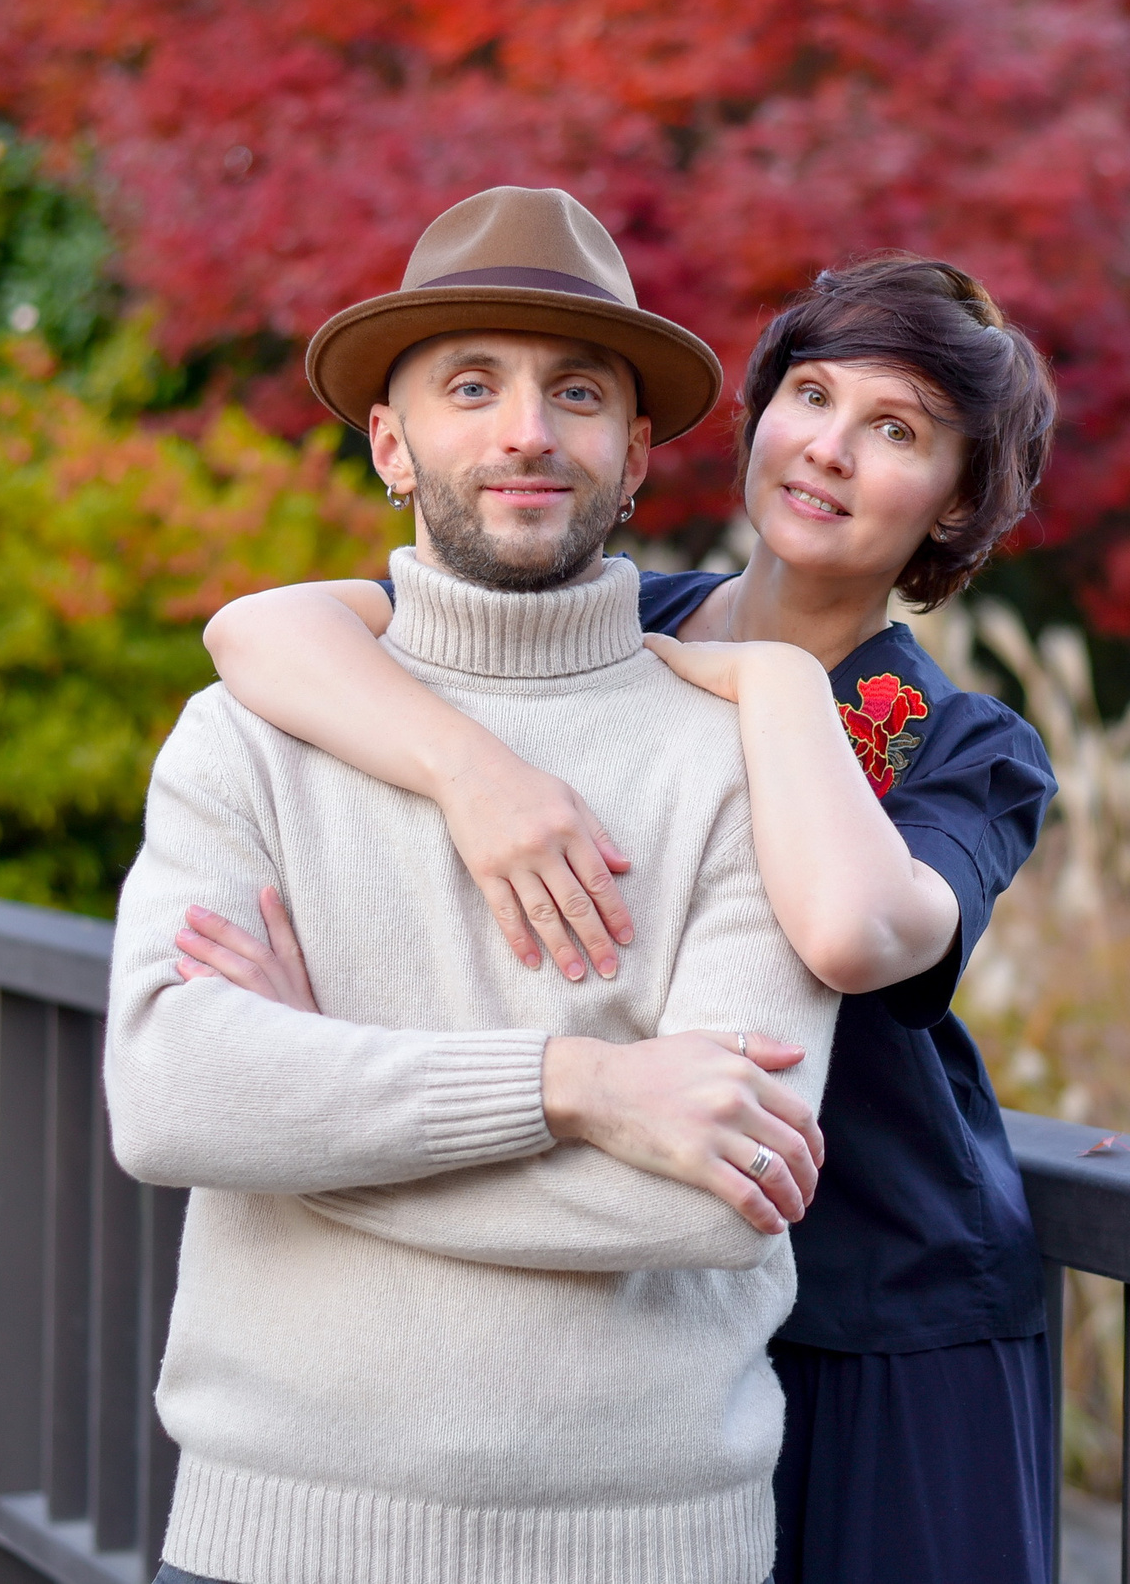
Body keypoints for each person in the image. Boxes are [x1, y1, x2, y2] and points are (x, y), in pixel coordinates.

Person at [189, 251, 1062, 1583]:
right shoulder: (613, 617)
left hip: (888, 1308)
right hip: (653, 1316)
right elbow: (261, 634)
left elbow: (845, 931)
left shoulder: (962, 744)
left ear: (953, 502)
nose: (829, 449)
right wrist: (471, 772)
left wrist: (767, 678)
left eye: (898, 431)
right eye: (812, 395)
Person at [105, 184, 843, 1584]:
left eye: (576, 392)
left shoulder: (747, 763)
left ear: (634, 453)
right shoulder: (250, 733)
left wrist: (303, 1120)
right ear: (391, 441)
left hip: (650, 1547)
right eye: (470, 385)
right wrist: (580, 1086)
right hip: (271, 1539)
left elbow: (709, 1195)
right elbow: (170, 1095)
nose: (524, 430)